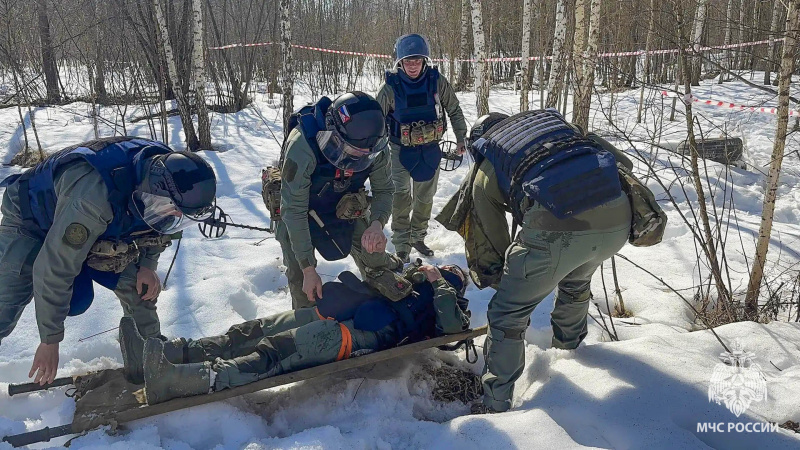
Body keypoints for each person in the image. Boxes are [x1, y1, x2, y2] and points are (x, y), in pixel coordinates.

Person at [437, 110, 634, 414]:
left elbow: (489, 234)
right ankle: (571, 358)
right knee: (576, 283)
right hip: (619, 219)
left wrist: (512, 279)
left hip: (556, 231)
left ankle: (495, 404)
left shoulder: (490, 161)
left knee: (507, 316)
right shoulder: (553, 133)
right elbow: (625, 164)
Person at [0, 136, 217, 386]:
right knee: (8, 302)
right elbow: (53, 267)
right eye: (172, 209)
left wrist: (147, 265)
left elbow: (156, 227)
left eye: (180, 214)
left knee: (139, 289)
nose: (174, 216)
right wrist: (50, 341)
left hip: (98, 223)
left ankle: (154, 358)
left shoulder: (168, 176)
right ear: (153, 190)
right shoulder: (94, 196)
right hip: (31, 219)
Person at [117, 263, 471, 404]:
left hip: (357, 334)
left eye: (455, 272)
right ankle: (170, 354)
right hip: (331, 310)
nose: (445, 269)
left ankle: (178, 379)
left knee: (273, 353)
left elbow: (452, 331)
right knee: (248, 332)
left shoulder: (448, 302)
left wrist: (443, 286)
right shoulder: (411, 277)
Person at [276, 91, 405, 310]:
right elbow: (293, 209)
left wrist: (376, 224)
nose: (361, 157)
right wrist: (308, 268)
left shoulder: (375, 144)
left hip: (346, 205)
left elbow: (384, 189)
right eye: (354, 152)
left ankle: (384, 309)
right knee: (302, 281)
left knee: (373, 257)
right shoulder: (302, 144)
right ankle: (306, 326)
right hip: (300, 211)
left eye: (367, 153)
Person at [375, 33, 468, 262]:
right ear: (400, 62)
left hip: (430, 148)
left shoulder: (437, 81)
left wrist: (461, 137)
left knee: (425, 197)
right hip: (399, 150)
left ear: (425, 61)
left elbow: (454, 109)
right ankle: (401, 243)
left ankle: (418, 236)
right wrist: (371, 152)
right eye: (408, 61)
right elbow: (376, 121)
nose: (413, 66)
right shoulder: (389, 87)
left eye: (417, 61)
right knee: (400, 196)